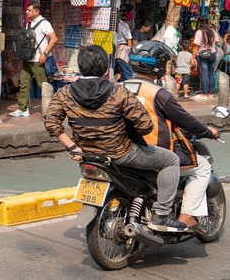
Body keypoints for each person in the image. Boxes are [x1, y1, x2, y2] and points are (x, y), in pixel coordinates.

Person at [45, 45, 188, 233]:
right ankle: (162, 214)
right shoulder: (118, 92)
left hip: (87, 155)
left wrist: (72, 147)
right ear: (106, 70)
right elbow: (145, 124)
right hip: (122, 154)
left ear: (80, 67)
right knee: (171, 160)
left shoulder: (64, 93)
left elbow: (51, 122)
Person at [127, 40, 221, 229]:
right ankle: (185, 217)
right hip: (152, 152)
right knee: (201, 168)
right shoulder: (158, 93)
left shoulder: (120, 86)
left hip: (125, 149)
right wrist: (207, 131)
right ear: (158, 66)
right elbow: (185, 119)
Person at [9, 2, 57, 117]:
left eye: (29, 10)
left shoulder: (44, 24)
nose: (27, 12)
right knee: (24, 84)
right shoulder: (29, 24)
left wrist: (45, 54)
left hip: (38, 60)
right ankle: (22, 109)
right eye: (27, 10)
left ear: (36, 11)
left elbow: (54, 38)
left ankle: (54, 109)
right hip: (28, 59)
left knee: (44, 85)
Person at [191, 15, 218, 99]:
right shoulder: (212, 30)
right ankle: (211, 93)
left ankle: (204, 94)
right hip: (212, 53)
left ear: (198, 22)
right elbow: (217, 40)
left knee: (204, 74)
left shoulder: (199, 32)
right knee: (211, 74)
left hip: (203, 55)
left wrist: (193, 57)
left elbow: (196, 46)